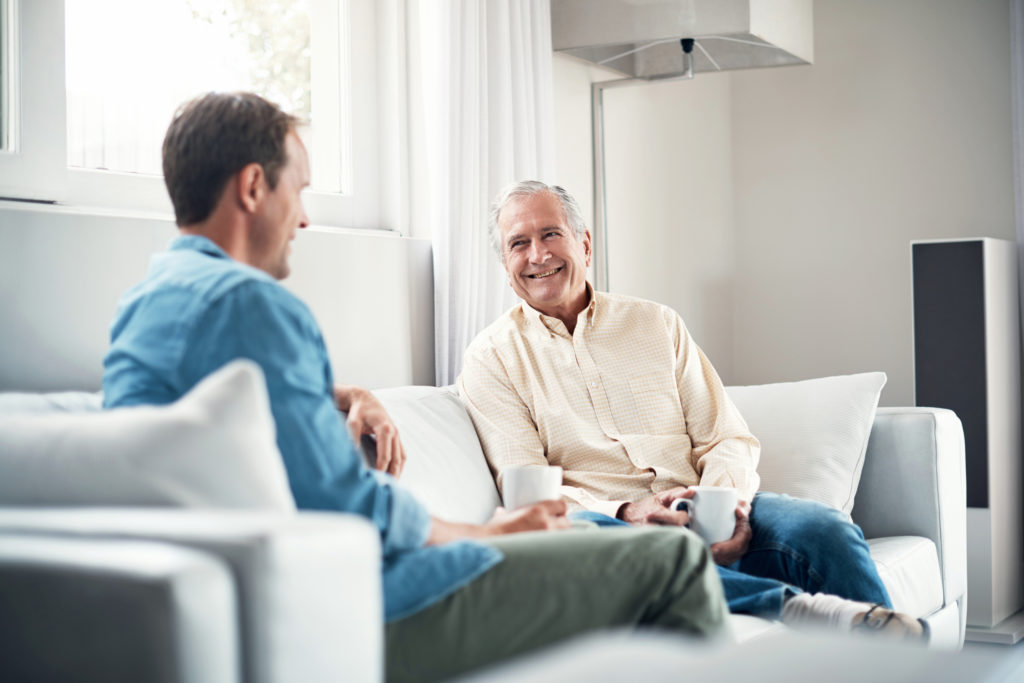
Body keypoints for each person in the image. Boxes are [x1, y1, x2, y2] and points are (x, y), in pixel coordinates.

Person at [102, 93, 730, 682]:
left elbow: (233, 412)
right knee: (671, 561)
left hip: (254, 602)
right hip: (366, 610)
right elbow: (353, 509)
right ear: (253, 186)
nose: (304, 216)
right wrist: (487, 534)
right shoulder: (255, 306)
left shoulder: (145, 307)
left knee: (587, 535)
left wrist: (340, 394)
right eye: (300, 190)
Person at [457, 180, 928, 641]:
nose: (537, 254)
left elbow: (726, 436)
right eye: (519, 243)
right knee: (580, 538)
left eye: (550, 234)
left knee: (825, 529)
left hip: (705, 507)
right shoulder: (491, 359)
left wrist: (723, 509)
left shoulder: (656, 324)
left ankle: (897, 665)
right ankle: (796, 608)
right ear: (505, 263)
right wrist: (628, 510)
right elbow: (530, 493)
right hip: (608, 527)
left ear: (584, 243)